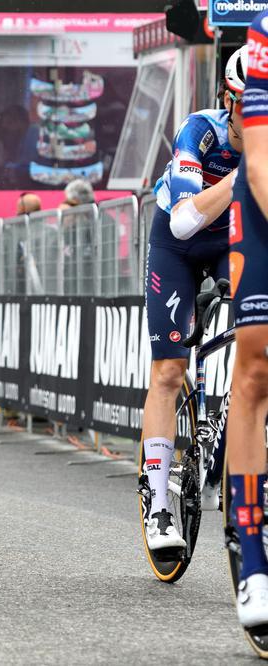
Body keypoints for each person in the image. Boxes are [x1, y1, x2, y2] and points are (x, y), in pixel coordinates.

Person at [140, 45, 247, 553]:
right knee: (168, 371)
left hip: (232, 241)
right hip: (177, 243)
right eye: (252, 106)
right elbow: (184, 222)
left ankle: (233, 455)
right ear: (229, 101)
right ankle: (158, 502)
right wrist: (242, 177)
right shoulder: (200, 132)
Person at [226, 18, 268, 627]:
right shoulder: (264, 38)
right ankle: (253, 561)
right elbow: (257, 164)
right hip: (263, 204)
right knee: (256, 369)